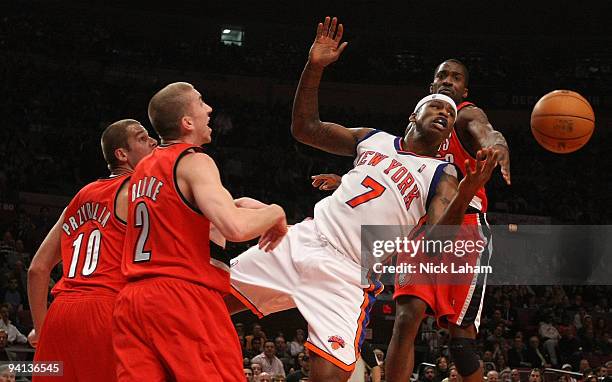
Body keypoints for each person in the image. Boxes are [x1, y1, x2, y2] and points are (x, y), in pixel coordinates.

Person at [226, 17, 500, 382]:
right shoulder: (374, 139)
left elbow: (435, 242)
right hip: (304, 239)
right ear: (413, 115)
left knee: (330, 377)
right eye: (436, 107)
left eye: (450, 114)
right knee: (208, 302)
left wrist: (467, 190)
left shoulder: (442, 175)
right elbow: (305, 128)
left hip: (347, 274)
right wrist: (314, 68)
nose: (444, 114)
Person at [313, 58, 511, 382]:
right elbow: (395, 171)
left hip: (463, 226)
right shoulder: (423, 123)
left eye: (456, 77)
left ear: (465, 89)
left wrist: (497, 146)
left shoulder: (466, 114)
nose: (448, 81)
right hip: (422, 223)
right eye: (442, 76)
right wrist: (348, 181)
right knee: (406, 318)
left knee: (460, 341)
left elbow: (488, 132)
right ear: (431, 86)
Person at [111, 82, 288, 381]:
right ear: (187, 122)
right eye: (201, 102)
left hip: (133, 300)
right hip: (182, 296)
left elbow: (179, 219)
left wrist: (231, 205)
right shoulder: (194, 160)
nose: (209, 109)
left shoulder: (141, 170)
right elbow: (235, 228)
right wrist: (275, 212)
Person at [26, 119, 157, 382]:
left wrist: (41, 331)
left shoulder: (78, 198)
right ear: (122, 154)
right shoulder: (137, 191)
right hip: (107, 309)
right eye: (142, 138)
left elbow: (37, 270)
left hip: (59, 314)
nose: (153, 141)